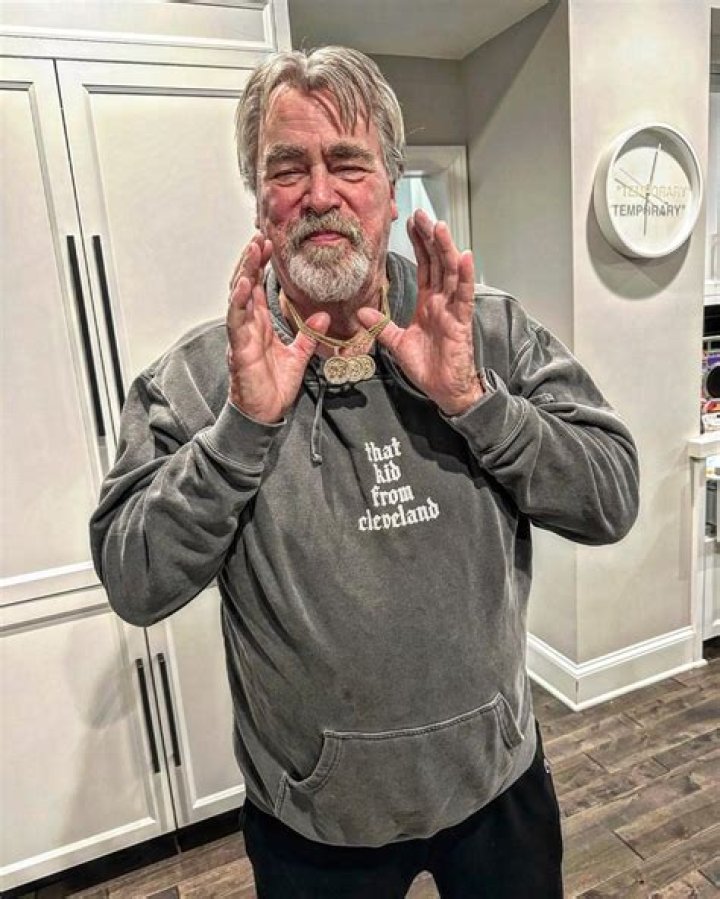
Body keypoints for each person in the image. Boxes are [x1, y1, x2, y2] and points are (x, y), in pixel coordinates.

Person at [90, 46, 639, 898]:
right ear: (259, 197)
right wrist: (241, 433)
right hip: (314, 826)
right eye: (287, 169)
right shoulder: (200, 378)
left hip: (496, 786)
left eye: (348, 162)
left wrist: (475, 402)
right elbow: (134, 578)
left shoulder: (482, 331)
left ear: (389, 183)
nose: (319, 194)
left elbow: (612, 495)